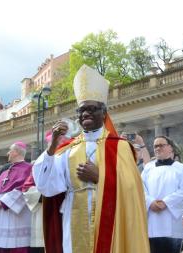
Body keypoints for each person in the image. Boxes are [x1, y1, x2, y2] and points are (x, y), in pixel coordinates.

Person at [33, 65, 150, 253]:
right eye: (81, 110)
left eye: (91, 109)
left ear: (103, 114)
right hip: (73, 217)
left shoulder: (119, 146)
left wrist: (100, 177)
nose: (85, 113)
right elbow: (46, 186)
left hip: (111, 218)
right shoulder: (66, 150)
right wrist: (52, 145)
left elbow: (132, 190)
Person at [0, 141, 33, 253]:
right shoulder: (5, 171)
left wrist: (2, 202)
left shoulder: (29, 168)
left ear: (15, 152)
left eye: (10, 151)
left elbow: (26, 190)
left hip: (15, 217)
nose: (8, 153)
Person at [141, 136, 183, 253]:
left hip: (173, 224)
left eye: (161, 145)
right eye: (155, 146)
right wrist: (150, 202)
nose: (158, 148)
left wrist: (166, 202)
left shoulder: (180, 168)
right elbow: (140, 188)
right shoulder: (148, 168)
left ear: (170, 148)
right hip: (152, 223)